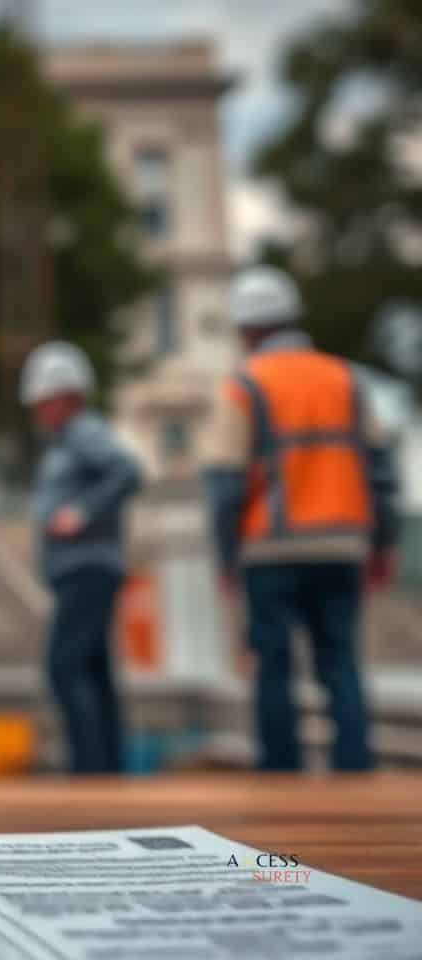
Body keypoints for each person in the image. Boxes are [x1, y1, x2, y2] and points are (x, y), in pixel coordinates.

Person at [202, 266, 399, 773]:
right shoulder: (345, 378)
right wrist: (383, 544)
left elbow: (225, 486)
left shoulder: (245, 385)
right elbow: (380, 471)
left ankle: (281, 775)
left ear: (246, 329)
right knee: (341, 663)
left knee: (274, 667)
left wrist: (225, 558)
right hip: (342, 546)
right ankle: (354, 772)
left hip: (271, 550)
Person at [22, 340, 143, 775]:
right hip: (83, 569)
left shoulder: (84, 432)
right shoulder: (66, 439)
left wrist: (82, 512)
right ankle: (105, 768)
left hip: (86, 568)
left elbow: (128, 471)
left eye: (41, 401)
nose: (37, 410)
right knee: (93, 672)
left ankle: (89, 770)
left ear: (63, 396)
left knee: (64, 667)